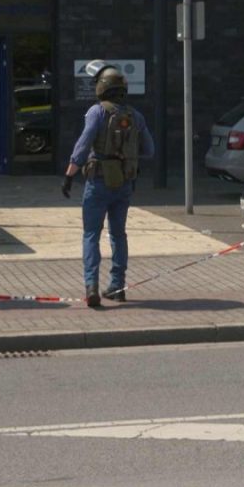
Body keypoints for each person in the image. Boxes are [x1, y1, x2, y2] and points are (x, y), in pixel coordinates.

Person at [61, 60, 155, 307]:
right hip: (124, 183)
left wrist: (70, 175)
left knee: (91, 234)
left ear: (101, 87)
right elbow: (150, 150)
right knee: (118, 234)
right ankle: (118, 286)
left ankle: (91, 286)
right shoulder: (136, 116)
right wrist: (126, 155)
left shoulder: (97, 112)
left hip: (98, 180)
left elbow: (82, 146)